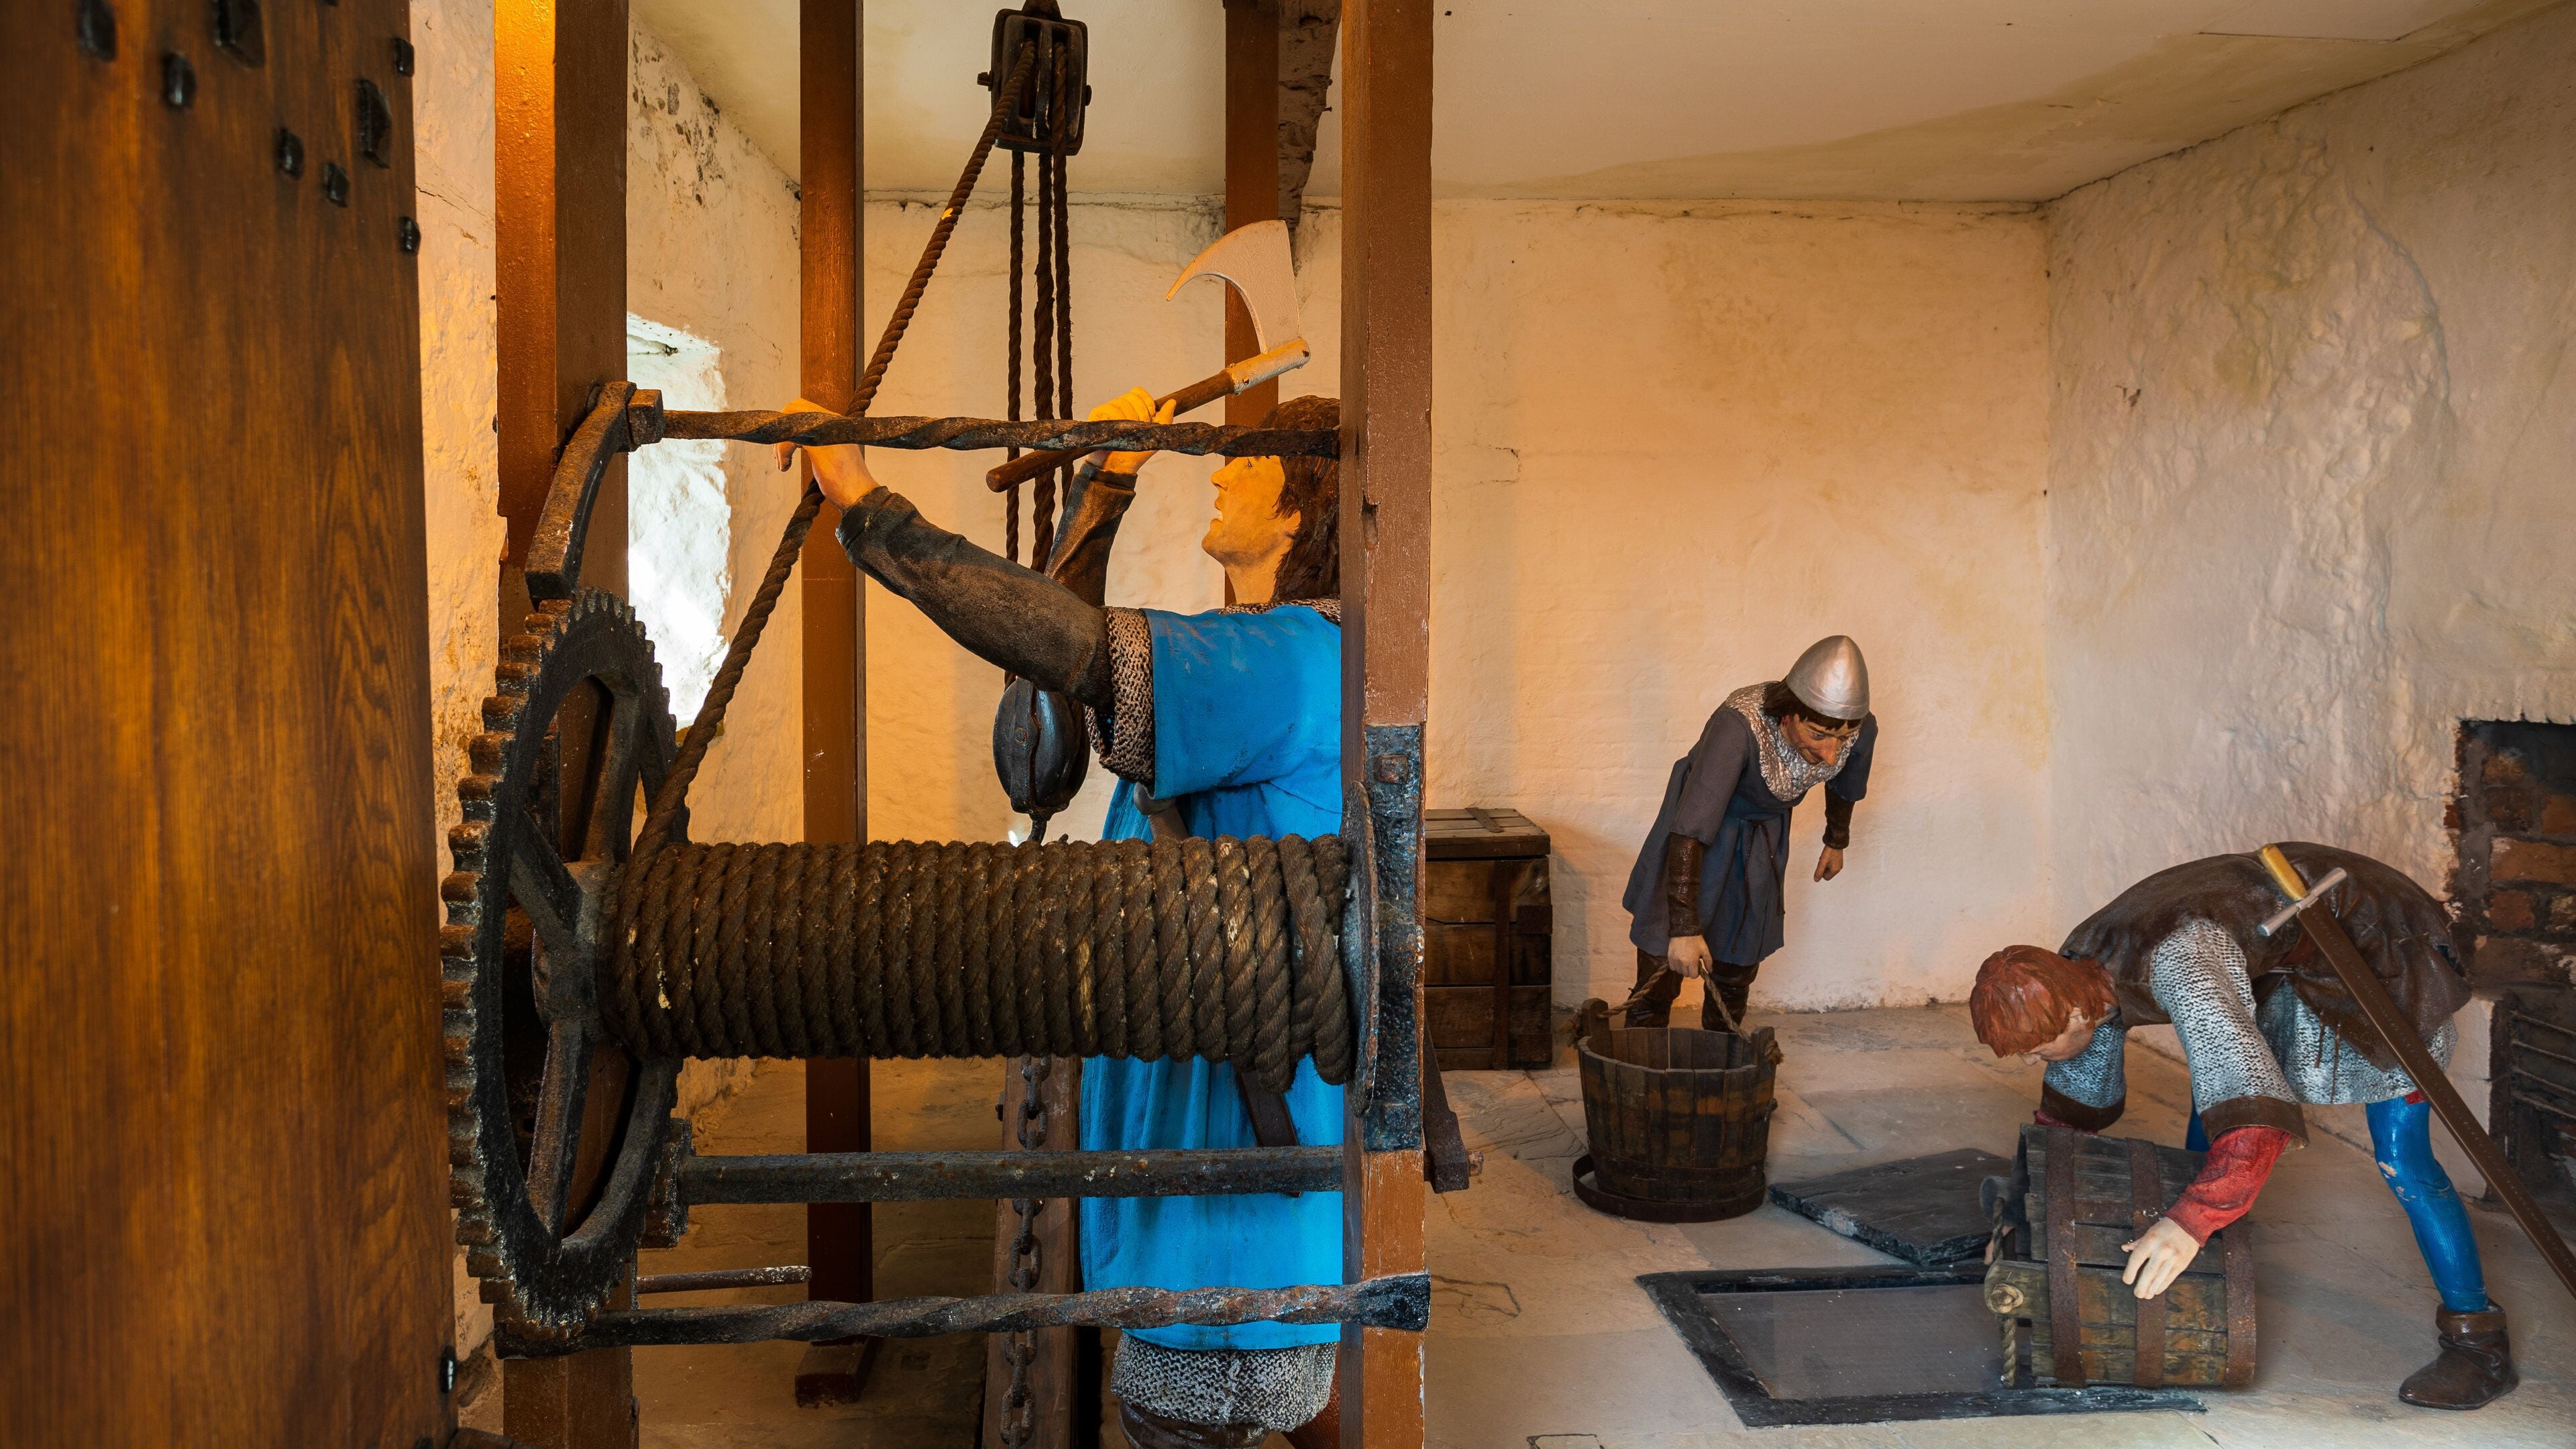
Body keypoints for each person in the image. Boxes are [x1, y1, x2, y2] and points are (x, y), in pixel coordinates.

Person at [780, 385, 1345, 1449]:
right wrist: (1106, 486)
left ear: (1299, 512)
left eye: (1247, 464)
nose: (1219, 474)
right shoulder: (1247, 651)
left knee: (1189, 1413)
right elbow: (1064, 681)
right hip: (1194, 1107)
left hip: (1227, 1185)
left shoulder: (1296, 661)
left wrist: (862, 497)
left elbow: (1070, 646)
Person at [1967, 843, 2512, 1410]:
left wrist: (2192, 1219)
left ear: (2075, 1013)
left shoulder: (2185, 965)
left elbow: (2254, 1121)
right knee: (2213, 1119)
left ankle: (2480, 1343)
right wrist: (2028, 1219)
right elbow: (2072, 1115)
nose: (2034, 1062)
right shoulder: (2078, 965)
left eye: (2036, 1049)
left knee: (2404, 1160)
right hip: (2293, 958)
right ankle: (2202, 1277)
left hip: (2381, 957)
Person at [1618, 637, 1876, 1029]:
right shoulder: (1738, 726)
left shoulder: (1854, 727)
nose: (1830, 753)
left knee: (1739, 955)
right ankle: (1641, 1049)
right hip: (1698, 833)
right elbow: (1692, 827)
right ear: (1788, 715)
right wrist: (1685, 929)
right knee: (1664, 956)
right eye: (1819, 735)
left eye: (1842, 739)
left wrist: (1835, 840)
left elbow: (1848, 781)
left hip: (1763, 840)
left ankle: (1723, 1058)